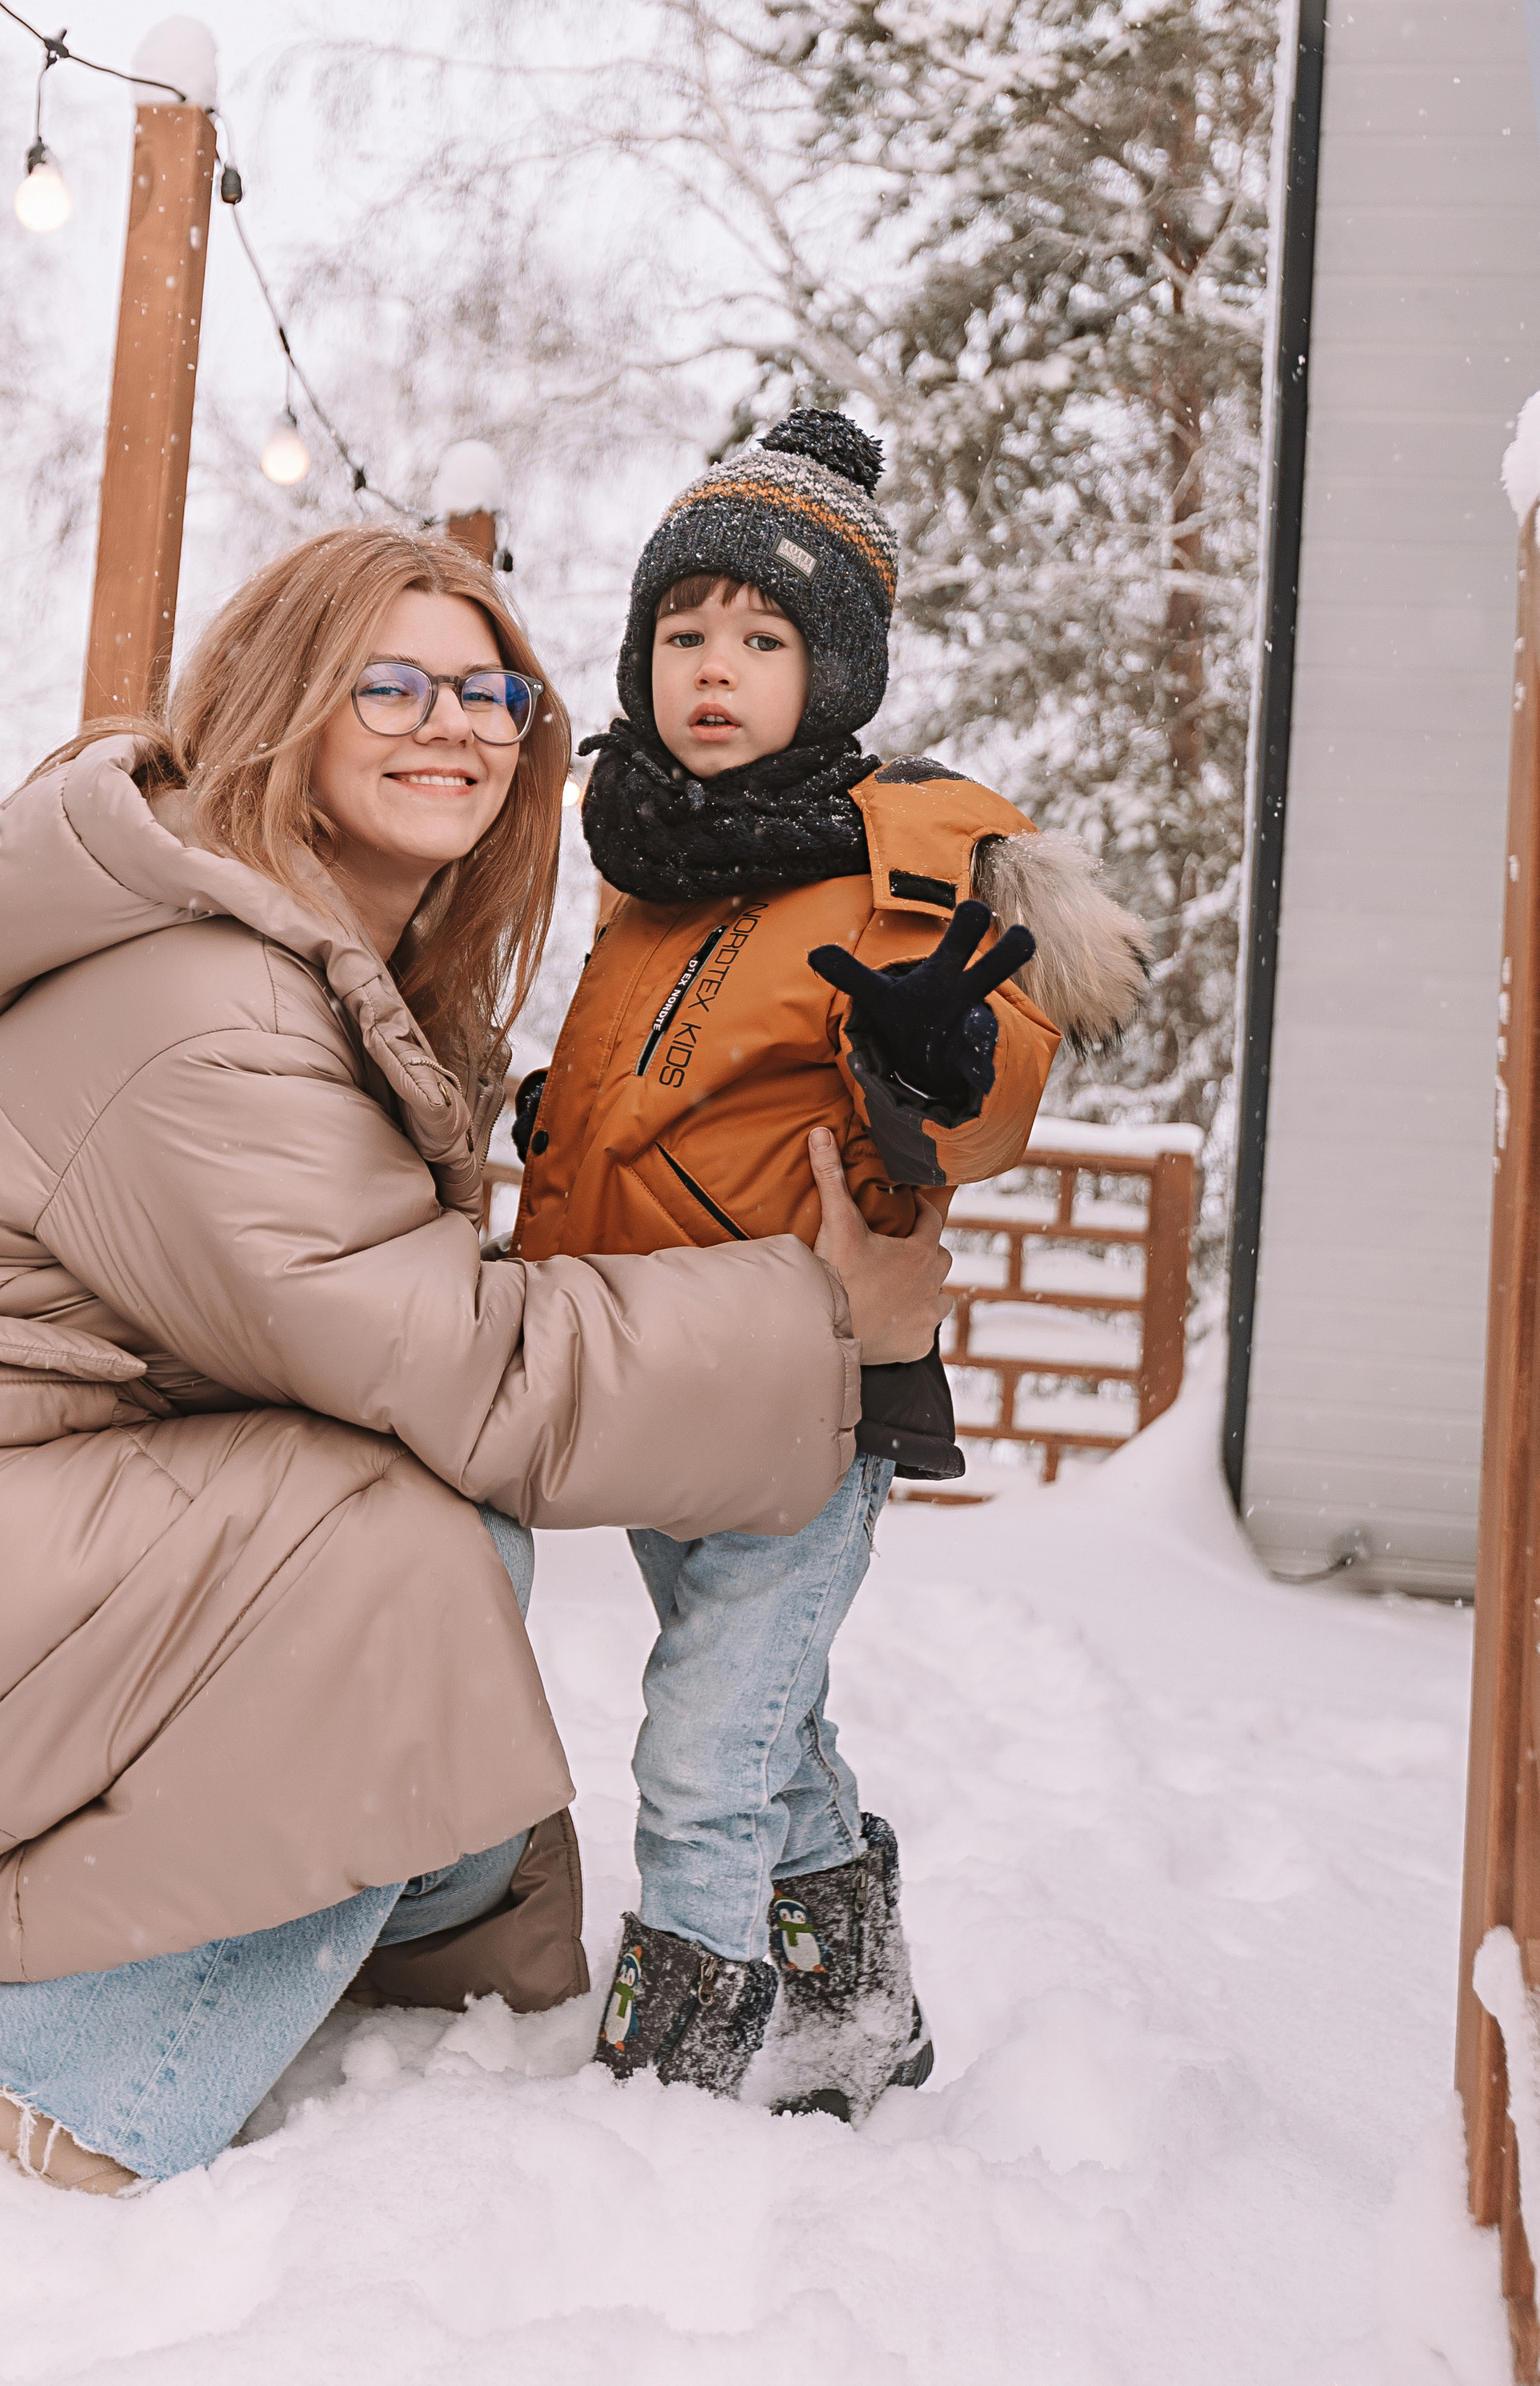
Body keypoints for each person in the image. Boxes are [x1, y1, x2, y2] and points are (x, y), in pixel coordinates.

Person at [0, 520, 955, 2192]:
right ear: (288, 711)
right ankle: (76, 2080)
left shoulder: (294, 960)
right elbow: (466, 1367)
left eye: (493, 690)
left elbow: (379, 1315)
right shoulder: (220, 1002)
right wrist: (828, 1323)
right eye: (389, 682)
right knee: (410, 1566)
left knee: (428, 1689)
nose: (455, 723)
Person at [512, 411, 1149, 2120]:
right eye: (682, 633)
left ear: (836, 670)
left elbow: (985, 1066)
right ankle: (857, 2002)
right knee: (763, 1718)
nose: (713, 670)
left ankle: (675, 2078)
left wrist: (939, 1060)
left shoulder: (893, 856)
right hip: (656, 1375)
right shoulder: (645, 864)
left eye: (762, 638)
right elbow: (650, 1085)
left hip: (803, 1384)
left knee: (702, 1743)